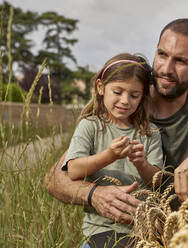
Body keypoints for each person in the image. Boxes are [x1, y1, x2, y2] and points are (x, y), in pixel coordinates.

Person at [45, 18, 188, 247]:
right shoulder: (128, 103)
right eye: (162, 54)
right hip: (116, 235)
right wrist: (95, 194)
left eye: (181, 61)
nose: (166, 69)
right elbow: (56, 178)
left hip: (187, 237)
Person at [60, 53, 163, 247]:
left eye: (134, 95)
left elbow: (157, 182)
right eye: (117, 92)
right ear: (101, 88)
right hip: (101, 229)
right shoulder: (90, 126)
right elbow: (73, 170)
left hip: (143, 228)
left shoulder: (150, 133)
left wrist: (142, 164)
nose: (125, 100)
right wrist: (110, 156)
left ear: (142, 97)